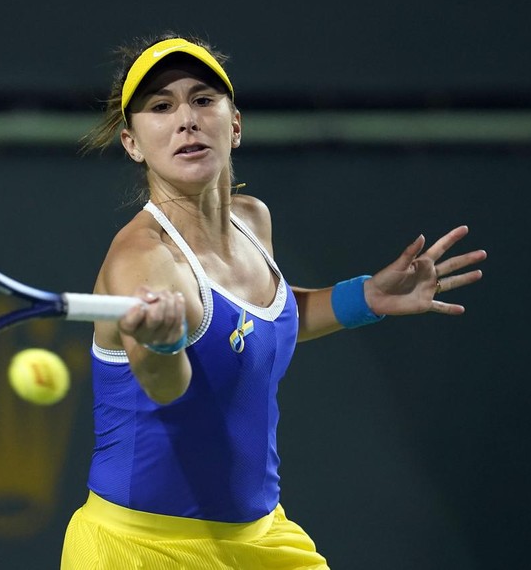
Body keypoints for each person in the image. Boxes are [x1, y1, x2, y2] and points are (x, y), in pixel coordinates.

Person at [60, 34, 486, 570]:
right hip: (141, 549)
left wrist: (366, 297)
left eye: (203, 99)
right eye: (161, 107)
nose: (186, 119)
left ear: (234, 124)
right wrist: (161, 346)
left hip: (261, 539)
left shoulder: (252, 220)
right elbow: (165, 387)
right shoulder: (144, 261)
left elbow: (259, 326)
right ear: (133, 143)